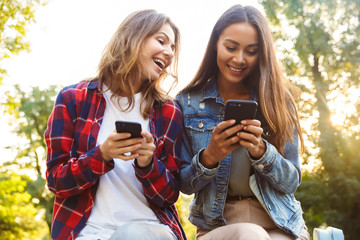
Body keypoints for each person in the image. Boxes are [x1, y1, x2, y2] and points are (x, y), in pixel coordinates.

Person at [45, 9, 186, 240]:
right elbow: (56, 181)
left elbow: (169, 196)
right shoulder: (73, 99)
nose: (169, 52)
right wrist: (102, 155)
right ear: (133, 38)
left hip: (149, 229)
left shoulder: (168, 111)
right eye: (161, 41)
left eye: (173, 48)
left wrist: (148, 164)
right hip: (86, 233)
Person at [176, 4, 310, 240]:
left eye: (251, 51)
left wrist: (261, 152)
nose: (239, 59)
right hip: (218, 227)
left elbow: (291, 182)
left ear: (262, 53)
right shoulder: (188, 102)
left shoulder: (279, 100)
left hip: (281, 222)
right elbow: (184, 185)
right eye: (231, 47)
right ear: (216, 43)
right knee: (252, 234)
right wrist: (210, 156)